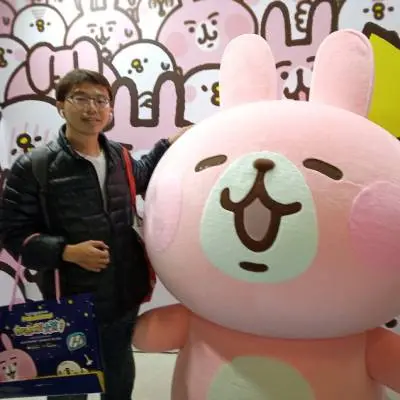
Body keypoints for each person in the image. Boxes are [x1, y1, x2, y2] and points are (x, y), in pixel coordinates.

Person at [0, 69, 188, 400]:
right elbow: (13, 234)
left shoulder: (119, 156)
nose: (92, 108)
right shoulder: (34, 166)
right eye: (81, 98)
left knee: (118, 372)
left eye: (101, 100)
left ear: (110, 108)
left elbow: (141, 175)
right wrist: (66, 251)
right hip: (70, 296)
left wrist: (168, 143)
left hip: (122, 292)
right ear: (61, 106)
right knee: (69, 383)